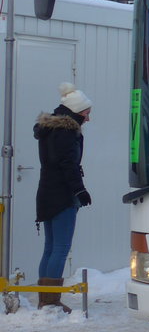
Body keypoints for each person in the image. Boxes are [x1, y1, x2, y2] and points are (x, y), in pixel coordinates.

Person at [33, 82, 93, 313]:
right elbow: (68, 165)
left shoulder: (50, 130)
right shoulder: (67, 133)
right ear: (76, 111)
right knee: (60, 248)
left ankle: (45, 300)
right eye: (86, 113)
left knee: (50, 247)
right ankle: (50, 301)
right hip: (62, 194)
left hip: (47, 191)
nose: (88, 118)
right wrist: (80, 191)